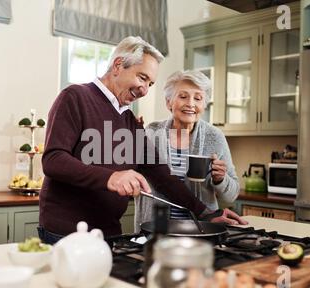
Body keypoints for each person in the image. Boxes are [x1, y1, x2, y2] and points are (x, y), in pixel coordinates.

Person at [38, 36, 246, 244]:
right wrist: (111, 177)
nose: (145, 90)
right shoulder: (75, 96)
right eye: (142, 78)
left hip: (109, 232)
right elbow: (53, 160)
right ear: (118, 65)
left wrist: (207, 213)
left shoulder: (130, 121)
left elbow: (161, 176)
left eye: (150, 83)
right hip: (67, 231)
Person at [135, 70, 245, 232]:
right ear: (168, 102)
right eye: (183, 96)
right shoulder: (152, 132)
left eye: (198, 98)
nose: (191, 104)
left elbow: (231, 195)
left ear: (204, 105)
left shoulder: (214, 137)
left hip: (200, 229)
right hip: (156, 228)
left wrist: (220, 179)